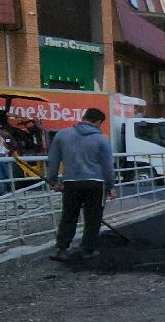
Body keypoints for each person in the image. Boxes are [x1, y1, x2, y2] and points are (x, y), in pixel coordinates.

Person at [44, 107, 116, 261]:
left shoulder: (62, 135)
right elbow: (108, 166)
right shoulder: (101, 139)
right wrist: (111, 186)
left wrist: (53, 180)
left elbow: (53, 159)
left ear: (84, 118)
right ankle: (88, 250)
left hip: (71, 183)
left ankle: (61, 249)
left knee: (69, 216)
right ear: (97, 122)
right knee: (93, 217)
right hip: (95, 184)